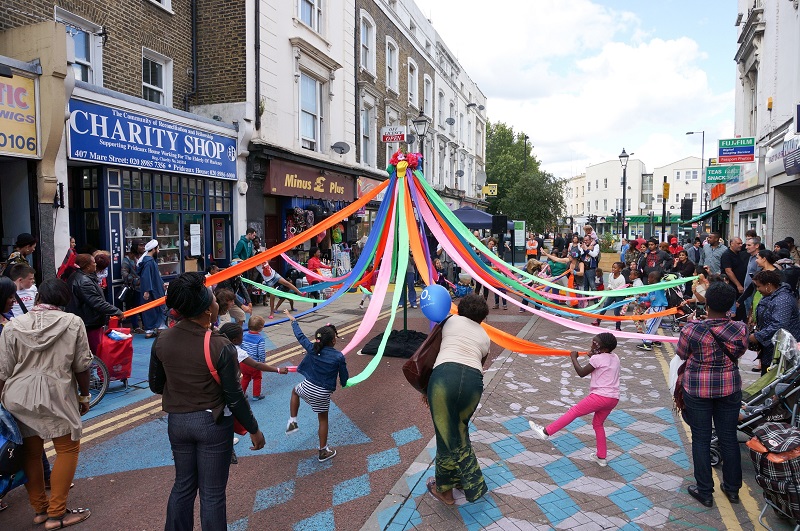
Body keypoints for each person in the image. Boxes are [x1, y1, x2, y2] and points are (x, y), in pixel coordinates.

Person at [149, 272, 265, 530]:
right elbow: (234, 397)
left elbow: (156, 385)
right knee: (212, 494)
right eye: (213, 299)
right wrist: (254, 429)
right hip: (212, 424)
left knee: (183, 486)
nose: (216, 302)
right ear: (206, 311)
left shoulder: (162, 339)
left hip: (178, 423)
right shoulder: (219, 345)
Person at [0, 278, 94, 529]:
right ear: (64, 300)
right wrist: (84, 396)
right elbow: (82, 366)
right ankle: (57, 514)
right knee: (67, 450)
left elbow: (3, 371)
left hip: (18, 396)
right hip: (57, 394)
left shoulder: (13, 326)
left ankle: (40, 510)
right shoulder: (73, 323)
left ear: (38, 297)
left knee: (30, 453)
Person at [678, 281, 747, 508]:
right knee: (728, 437)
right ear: (730, 305)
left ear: (706, 302)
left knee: (701, 438)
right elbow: (740, 351)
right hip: (729, 387)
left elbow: (681, 353)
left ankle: (705, 491)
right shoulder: (739, 328)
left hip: (698, 388)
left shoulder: (692, 329)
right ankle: (732, 489)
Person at [424, 294, 491, 505]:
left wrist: (426, 389)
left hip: (444, 377)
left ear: (460, 309)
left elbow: (431, 353)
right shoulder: (485, 337)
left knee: (445, 434)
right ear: (482, 317)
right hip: (473, 383)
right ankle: (465, 481)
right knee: (459, 430)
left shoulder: (449, 321)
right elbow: (480, 361)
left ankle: (445, 490)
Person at [529, 332, 620, 467]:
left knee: (574, 411)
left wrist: (573, 358)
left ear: (604, 349)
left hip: (600, 396)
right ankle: (601, 456)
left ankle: (545, 432)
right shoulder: (615, 357)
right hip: (613, 398)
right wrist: (595, 354)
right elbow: (603, 363)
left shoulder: (597, 359)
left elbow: (582, 373)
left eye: (595, 344)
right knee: (598, 424)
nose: (592, 345)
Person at [283, 310, 348, 463]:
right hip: (322, 392)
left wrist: (293, 321)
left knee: (294, 391)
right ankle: (323, 451)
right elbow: (343, 376)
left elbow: (300, 337)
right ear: (333, 341)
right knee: (323, 420)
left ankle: (292, 420)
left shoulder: (312, 348)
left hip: (307, 386)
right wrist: (344, 383)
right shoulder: (338, 356)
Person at [65, 254, 124, 354]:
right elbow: (96, 302)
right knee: (94, 351)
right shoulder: (84, 282)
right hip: (89, 321)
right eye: (93, 263)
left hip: (85, 320)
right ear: (87, 266)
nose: (95, 264)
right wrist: (116, 311)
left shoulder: (79, 277)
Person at [749, 270, 800, 375]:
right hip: (771, 348)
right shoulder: (772, 295)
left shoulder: (783, 300)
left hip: (782, 352)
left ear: (768, 285)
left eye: (759, 286)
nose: (758, 290)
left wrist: (758, 336)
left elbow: (779, 325)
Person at [240, 315, 287, 400]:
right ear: (261, 328)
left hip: (244, 362)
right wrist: (262, 362)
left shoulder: (244, 335)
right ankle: (256, 395)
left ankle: (241, 393)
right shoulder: (260, 339)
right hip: (255, 364)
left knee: (245, 377)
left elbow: (241, 347)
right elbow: (261, 352)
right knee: (257, 378)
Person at [137, 240, 166, 338]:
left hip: (153, 288)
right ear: (153, 249)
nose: (158, 251)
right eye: (157, 249)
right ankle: (155, 329)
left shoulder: (147, 261)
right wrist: (147, 290)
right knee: (155, 309)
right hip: (153, 290)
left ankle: (153, 329)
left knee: (151, 309)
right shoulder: (149, 262)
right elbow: (146, 277)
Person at [636, 271, 668, 351]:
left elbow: (665, 283)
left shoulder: (660, 286)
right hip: (654, 307)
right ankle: (655, 340)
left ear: (653, 278)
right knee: (652, 325)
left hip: (659, 307)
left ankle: (647, 343)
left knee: (651, 324)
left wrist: (664, 279)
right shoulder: (651, 288)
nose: (648, 279)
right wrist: (640, 298)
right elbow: (649, 298)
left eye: (649, 277)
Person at [217, 259, 253, 324]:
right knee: (226, 321)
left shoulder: (237, 277)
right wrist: (242, 306)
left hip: (230, 300)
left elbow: (243, 289)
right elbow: (231, 293)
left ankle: (237, 333)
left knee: (241, 316)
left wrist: (249, 301)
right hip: (222, 302)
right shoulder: (226, 278)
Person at [592, 262, 625, 331]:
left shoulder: (622, 279)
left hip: (619, 295)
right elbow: (610, 283)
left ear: (620, 269)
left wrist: (613, 290)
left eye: (615, 268)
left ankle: (618, 327)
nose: (613, 269)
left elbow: (621, 289)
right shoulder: (610, 275)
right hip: (612, 294)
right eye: (613, 267)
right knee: (605, 306)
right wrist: (610, 287)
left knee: (616, 311)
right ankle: (598, 321)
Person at [121, 240, 145, 333]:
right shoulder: (127, 259)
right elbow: (124, 273)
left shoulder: (144, 257)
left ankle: (145, 325)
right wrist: (136, 280)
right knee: (135, 307)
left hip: (144, 287)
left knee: (145, 306)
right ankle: (136, 326)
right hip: (135, 288)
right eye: (141, 245)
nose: (143, 247)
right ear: (135, 246)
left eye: (144, 245)